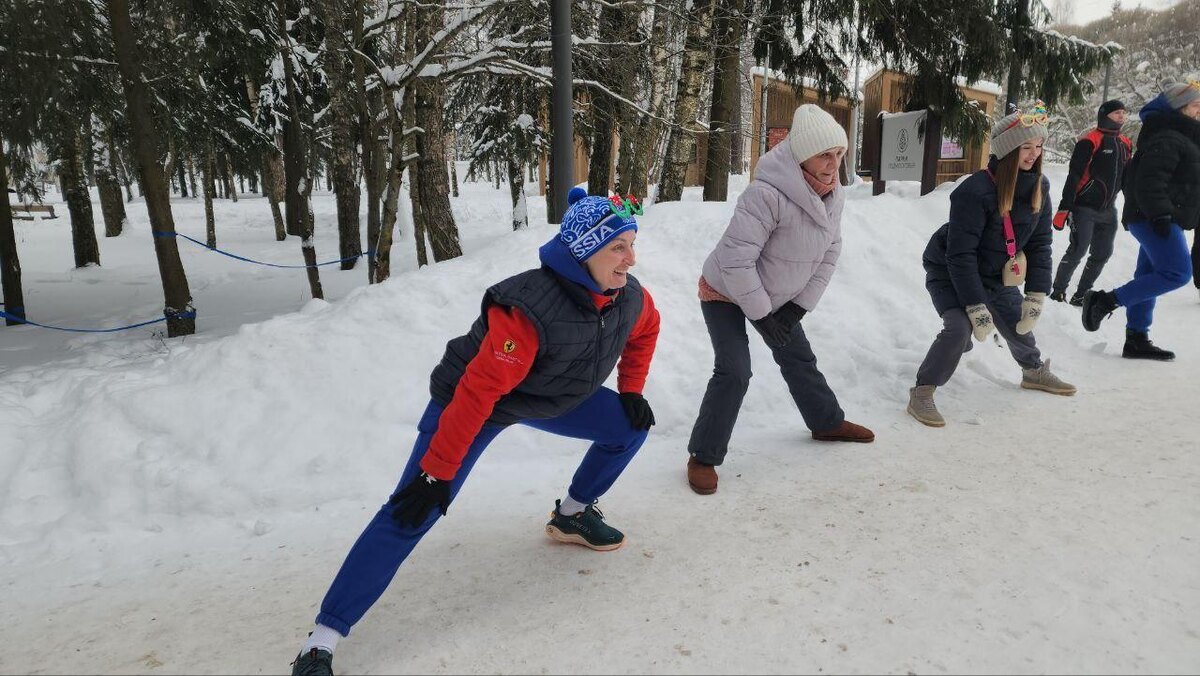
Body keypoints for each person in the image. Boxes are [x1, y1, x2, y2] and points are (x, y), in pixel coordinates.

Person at [290, 187, 661, 675]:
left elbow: (646, 330)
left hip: (546, 396)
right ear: (583, 252)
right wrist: (436, 473)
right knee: (413, 508)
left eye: (632, 245)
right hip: (472, 404)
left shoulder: (628, 296)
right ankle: (322, 640)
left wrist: (631, 391)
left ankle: (572, 515)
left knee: (627, 428)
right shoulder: (528, 310)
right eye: (618, 247)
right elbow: (478, 393)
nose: (631, 259)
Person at [685, 104, 874, 496]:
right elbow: (736, 263)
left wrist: (797, 308)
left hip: (774, 296)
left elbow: (830, 252)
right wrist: (762, 315)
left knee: (798, 357)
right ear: (801, 155)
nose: (833, 164)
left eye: (839, 154)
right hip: (725, 290)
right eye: (824, 155)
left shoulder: (833, 194)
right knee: (735, 370)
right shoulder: (765, 194)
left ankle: (826, 422)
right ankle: (703, 456)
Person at [907, 102, 1076, 428]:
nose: (1034, 154)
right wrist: (975, 305)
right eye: (1026, 147)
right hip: (949, 269)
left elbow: (1040, 244)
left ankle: (1033, 371)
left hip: (995, 270)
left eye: (1039, 146)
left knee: (1017, 319)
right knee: (960, 328)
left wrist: (1037, 294)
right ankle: (922, 391)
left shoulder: (1040, 187)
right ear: (1008, 150)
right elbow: (960, 255)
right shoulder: (974, 192)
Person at [1081, 81, 1200, 360]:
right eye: (1196, 106)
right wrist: (1160, 214)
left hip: (1161, 215)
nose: (1199, 112)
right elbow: (1149, 180)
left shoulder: (1180, 135)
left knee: (1148, 275)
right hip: (1154, 217)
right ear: (1180, 107)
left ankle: (1136, 338)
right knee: (1177, 272)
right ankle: (1104, 301)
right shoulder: (1168, 136)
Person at [1049, 99, 1133, 306]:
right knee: (1077, 250)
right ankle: (1058, 292)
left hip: (1108, 210)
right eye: (1117, 113)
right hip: (1083, 208)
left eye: (1124, 112)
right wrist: (1065, 207)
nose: (1122, 116)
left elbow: (1127, 178)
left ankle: (1081, 295)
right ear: (1105, 115)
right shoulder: (1089, 141)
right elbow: (1074, 175)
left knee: (1103, 253)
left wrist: (1133, 207)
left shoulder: (1125, 143)